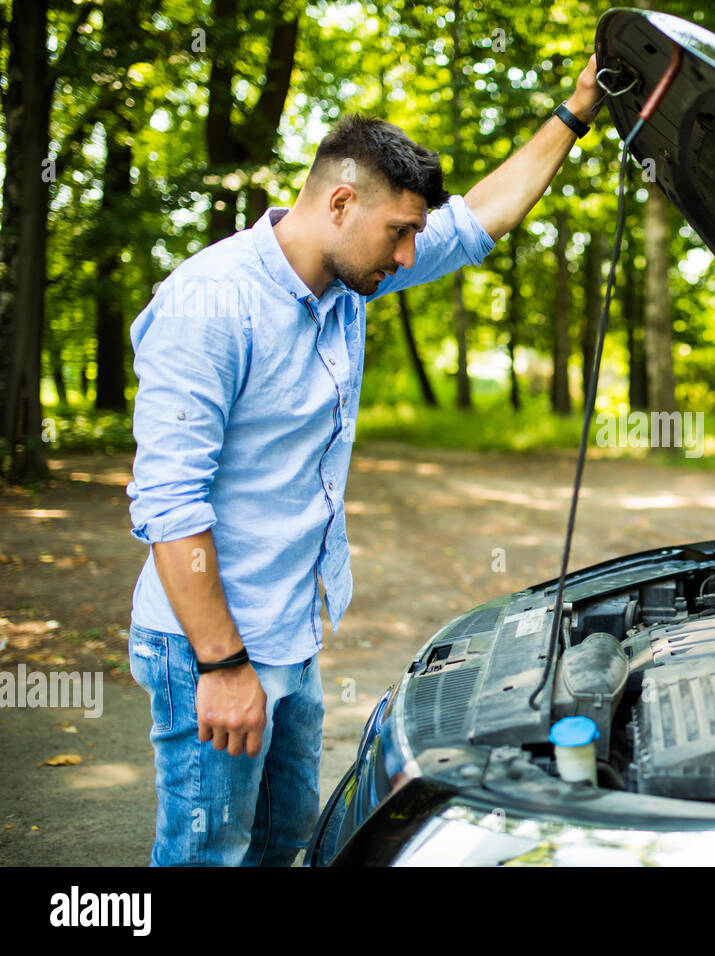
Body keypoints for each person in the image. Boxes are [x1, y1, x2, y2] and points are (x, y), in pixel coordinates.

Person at [124, 56, 602, 866]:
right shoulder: (210, 306)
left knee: (285, 848)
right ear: (341, 203)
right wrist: (224, 667)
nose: (412, 256)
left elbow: (485, 215)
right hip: (212, 643)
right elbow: (170, 506)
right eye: (400, 233)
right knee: (212, 858)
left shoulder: (345, 284)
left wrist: (577, 111)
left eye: (417, 232)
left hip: (289, 634)